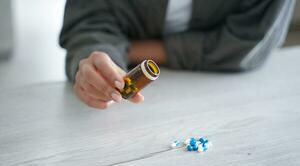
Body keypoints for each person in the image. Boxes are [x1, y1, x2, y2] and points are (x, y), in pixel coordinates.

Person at [59, 0, 295, 109]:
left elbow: (251, 40)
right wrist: (97, 59)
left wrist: (136, 49)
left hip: (234, 94)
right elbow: (87, 23)